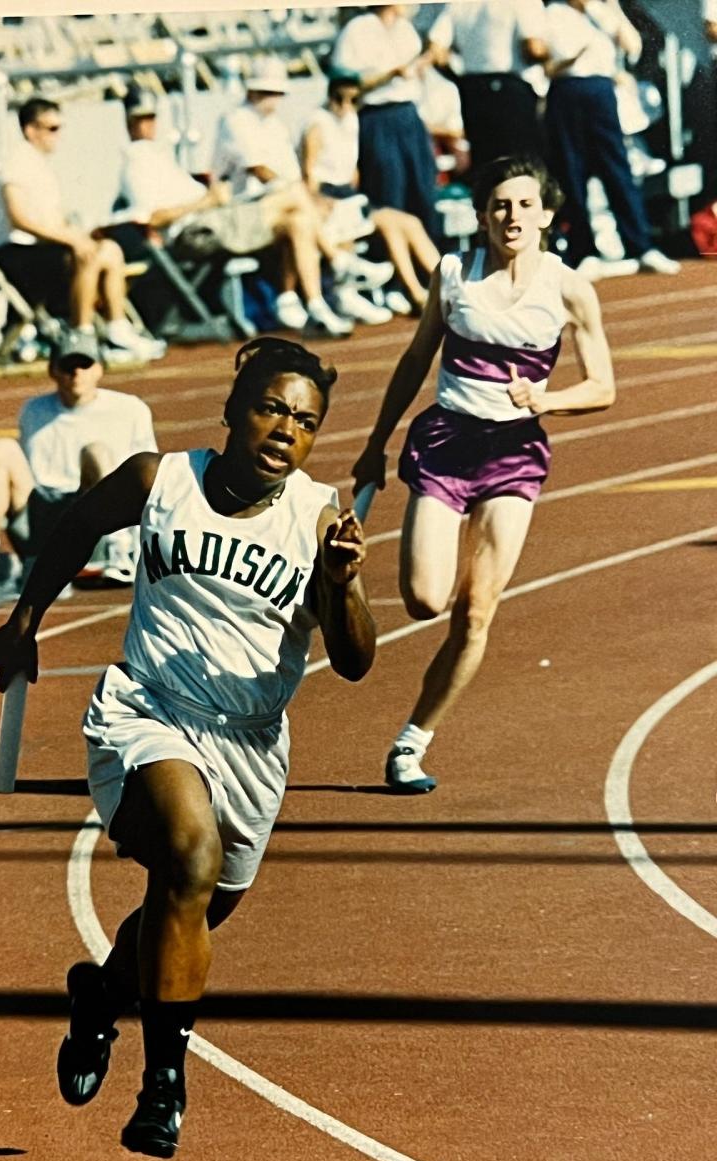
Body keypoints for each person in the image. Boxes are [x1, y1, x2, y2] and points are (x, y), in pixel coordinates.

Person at [0, 337, 376, 1157]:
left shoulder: (318, 517)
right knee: (190, 856)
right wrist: (24, 622)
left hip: (250, 743)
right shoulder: (159, 480)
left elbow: (354, 661)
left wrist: (341, 586)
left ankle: (101, 996)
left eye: (304, 422)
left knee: (196, 905)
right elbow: (74, 525)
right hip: (148, 709)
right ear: (233, 412)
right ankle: (166, 1084)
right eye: (271, 408)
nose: (284, 430)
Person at [352, 154, 615, 793]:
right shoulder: (453, 275)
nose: (511, 216)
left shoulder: (569, 287)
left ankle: (413, 742)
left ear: (547, 215)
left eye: (525, 204)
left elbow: (603, 386)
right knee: (424, 598)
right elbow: (416, 361)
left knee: (475, 613)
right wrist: (375, 444)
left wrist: (547, 401)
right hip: (445, 442)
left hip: (514, 452)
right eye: (499, 205)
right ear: (481, 215)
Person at [0, 330, 157, 606]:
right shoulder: (33, 409)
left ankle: (118, 552)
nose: (76, 373)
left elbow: (147, 476)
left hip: (93, 520)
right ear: (53, 371)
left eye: (85, 364)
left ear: (100, 369)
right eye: (68, 366)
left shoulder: (130, 409)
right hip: (42, 519)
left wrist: (143, 539)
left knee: (95, 451)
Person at [211, 57, 391, 334]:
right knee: (302, 203)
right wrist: (305, 197)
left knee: (306, 219)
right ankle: (339, 264)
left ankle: (311, 302)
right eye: (269, 92)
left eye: (277, 93)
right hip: (241, 214)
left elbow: (291, 175)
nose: (275, 99)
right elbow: (259, 170)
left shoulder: (275, 125)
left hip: (280, 212)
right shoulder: (235, 120)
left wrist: (313, 200)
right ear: (253, 91)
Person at [0, 96, 165, 362]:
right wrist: (74, 241)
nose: (59, 136)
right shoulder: (16, 162)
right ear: (31, 130)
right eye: (52, 129)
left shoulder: (37, 163)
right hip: (12, 252)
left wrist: (79, 236)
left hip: (34, 248)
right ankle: (82, 333)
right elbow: (19, 219)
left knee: (109, 249)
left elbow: (53, 220)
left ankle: (117, 330)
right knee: (85, 254)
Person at [543, 0, 680, 279]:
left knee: (618, 170)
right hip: (568, 89)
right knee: (572, 174)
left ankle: (641, 247)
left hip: (601, 91)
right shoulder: (553, 13)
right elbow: (553, 63)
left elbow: (632, 45)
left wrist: (611, 9)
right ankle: (585, 252)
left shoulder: (603, 10)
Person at [301, 69, 440, 316]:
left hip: (349, 196)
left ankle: (448, 287)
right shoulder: (317, 122)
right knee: (390, 226)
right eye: (339, 99)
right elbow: (310, 174)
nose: (345, 106)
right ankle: (416, 293)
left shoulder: (352, 121)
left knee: (409, 222)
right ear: (329, 97)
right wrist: (320, 205)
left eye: (353, 100)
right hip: (328, 196)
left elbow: (352, 170)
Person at [330, 6, 439, 238]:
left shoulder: (406, 30)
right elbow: (346, 83)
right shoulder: (357, 30)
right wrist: (390, 74)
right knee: (389, 192)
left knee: (423, 190)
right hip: (377, 117)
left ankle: (431, 262)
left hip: (409, 114)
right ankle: (395, 264)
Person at [427, 0, 549, 174]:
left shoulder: (459, 4)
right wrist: (551, 59)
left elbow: (435, 50)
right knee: (522, 167)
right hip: (511, 89)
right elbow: (534, 48)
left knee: (486, 168)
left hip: (473, 90)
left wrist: (458, 80)